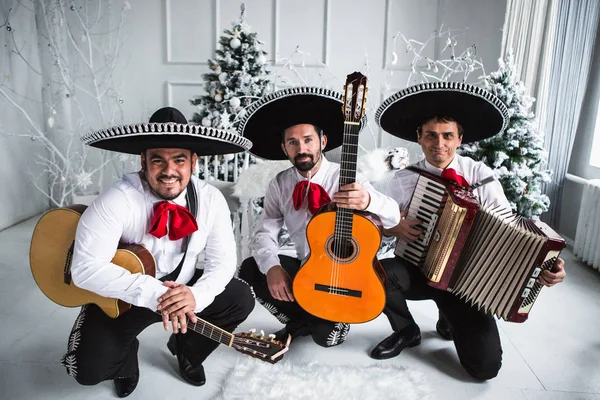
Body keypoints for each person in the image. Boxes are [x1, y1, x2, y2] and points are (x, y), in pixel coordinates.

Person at [369, 82, 566, 380]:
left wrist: (544, 267)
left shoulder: (481, 177)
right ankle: (407, 330)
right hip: (418, 270)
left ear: (459, 139)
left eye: (448, 135)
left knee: (484, 369)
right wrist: (394, 225)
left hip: (465, 284)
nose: (439, 144)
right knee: (375, 273)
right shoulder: (402, 180)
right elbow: (372, 224)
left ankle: (448, 318)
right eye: (431, 136)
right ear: (419, 138)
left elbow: (511, 231)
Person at [60, 107, 255, 397]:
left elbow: (223, 261)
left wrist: (195, 296)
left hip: (183, 288)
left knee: (239, 298)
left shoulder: (210, 199)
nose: (169, 171)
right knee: (87, 371)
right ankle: (125, 361)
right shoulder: (116, 200)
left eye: (179, 160)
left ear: (193, 162)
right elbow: (85, 267)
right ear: (143, 161)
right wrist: (156, 295)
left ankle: (186, 349)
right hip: (123, 296)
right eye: (157, 160)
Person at [236, 87, 401, 347]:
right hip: (308, 268)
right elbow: (264, 232)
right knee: (249, 268)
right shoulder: (280, 184)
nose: (301, 148)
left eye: (308, 139)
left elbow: (393, 217)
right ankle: (300, 319)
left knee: (326, 339)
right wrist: (273, 267)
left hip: (347, 275)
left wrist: (369, 200)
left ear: (322, 142)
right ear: (284, 148)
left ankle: (318, 320)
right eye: (293, 142)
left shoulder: (347, 176)